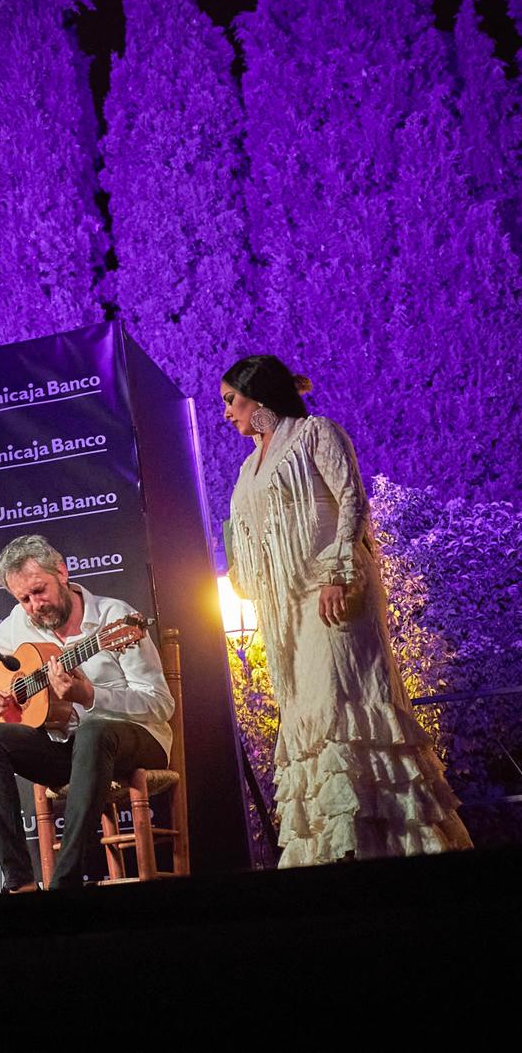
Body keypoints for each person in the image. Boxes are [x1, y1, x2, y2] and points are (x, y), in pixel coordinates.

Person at [220, 354, 470, 865]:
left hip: (334, 593)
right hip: (284, 609)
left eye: (231, 401)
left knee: (343, 706)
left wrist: (338, 572)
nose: (227, 413)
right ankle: (330, 853)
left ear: (259, 397)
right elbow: (248, 534)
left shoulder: (315, 434)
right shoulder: (249, 467)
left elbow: (351, 499)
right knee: (309, 713)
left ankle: (384, 846)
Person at [0, 535, 172, 892]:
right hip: (70, 750)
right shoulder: (19, 622)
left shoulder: (114, 618)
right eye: (23, 598)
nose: (34, 605)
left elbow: (160, 703)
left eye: (40, 591)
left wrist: (90, 695)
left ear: (62, 572)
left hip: (135, 740)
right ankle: (20, 883)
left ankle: (63, 885)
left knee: (94, 730)